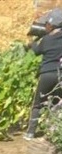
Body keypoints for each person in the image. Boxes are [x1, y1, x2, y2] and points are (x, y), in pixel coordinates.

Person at [24, 7, 62, 140]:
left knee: (38, 103)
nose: (46, 26)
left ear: (51, 25)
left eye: (47, 24)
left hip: (46, 74)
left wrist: (31, 44)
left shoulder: (46, 40)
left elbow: (37, 51)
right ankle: (52, 131)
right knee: (56, 103)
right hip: (60, 75)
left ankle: (30, 133)